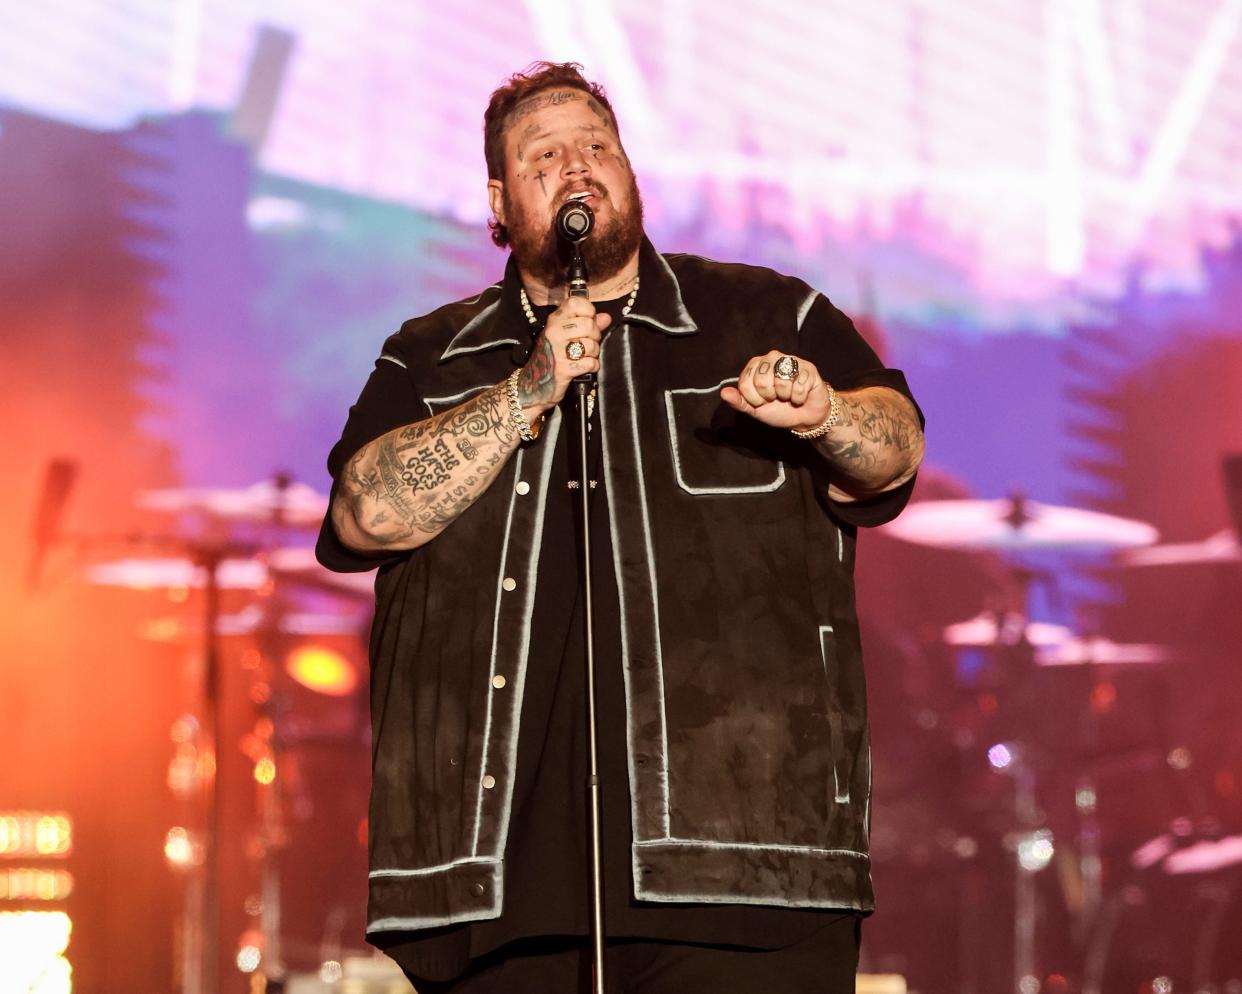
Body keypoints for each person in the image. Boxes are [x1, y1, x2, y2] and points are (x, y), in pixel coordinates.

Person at [316, 61, 924, 994]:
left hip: (749, 871)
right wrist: (529, 387)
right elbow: (363, 515)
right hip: (495, 892)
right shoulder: (430, 354)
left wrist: (826, 415)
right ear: (497, 201)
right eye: (544, 155)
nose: (578, 166)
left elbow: (897, 450)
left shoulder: (767, 312)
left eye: (598, 146)